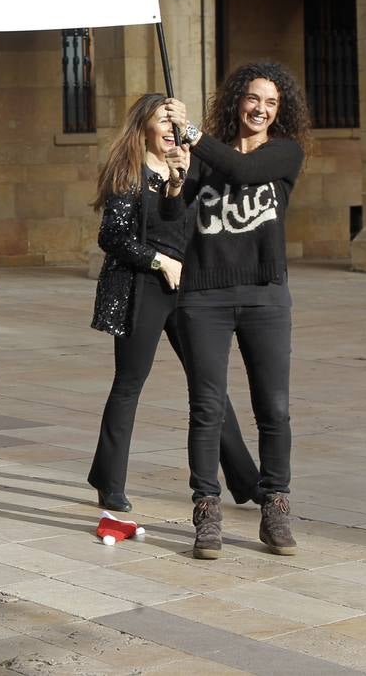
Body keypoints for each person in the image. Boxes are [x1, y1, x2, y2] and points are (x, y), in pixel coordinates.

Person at [87, 94, 260, 513]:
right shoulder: (129, 173)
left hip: (190, 288)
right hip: (141, 287)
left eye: (174, 120)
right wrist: (160, 261)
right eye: (161, 120)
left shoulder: (190, 167)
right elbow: (112, 237)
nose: (170, 128)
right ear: (144, 127)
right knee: (129, 382)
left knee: (209, 383)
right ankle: (109, 482)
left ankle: (246, 479)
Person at [165, 64, 310, 560]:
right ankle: (206, 510)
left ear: (280, 111)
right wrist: (175, 180)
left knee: (274, 408)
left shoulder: (284, 153)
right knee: (206, 408)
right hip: (203, 297)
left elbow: (243, 172)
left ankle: (276, 506)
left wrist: (192, 134)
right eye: (253, 99)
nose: (260, 109)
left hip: (265, 296)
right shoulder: (203, 156)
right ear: (237, 101)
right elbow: (171, 217)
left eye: (270, 102)